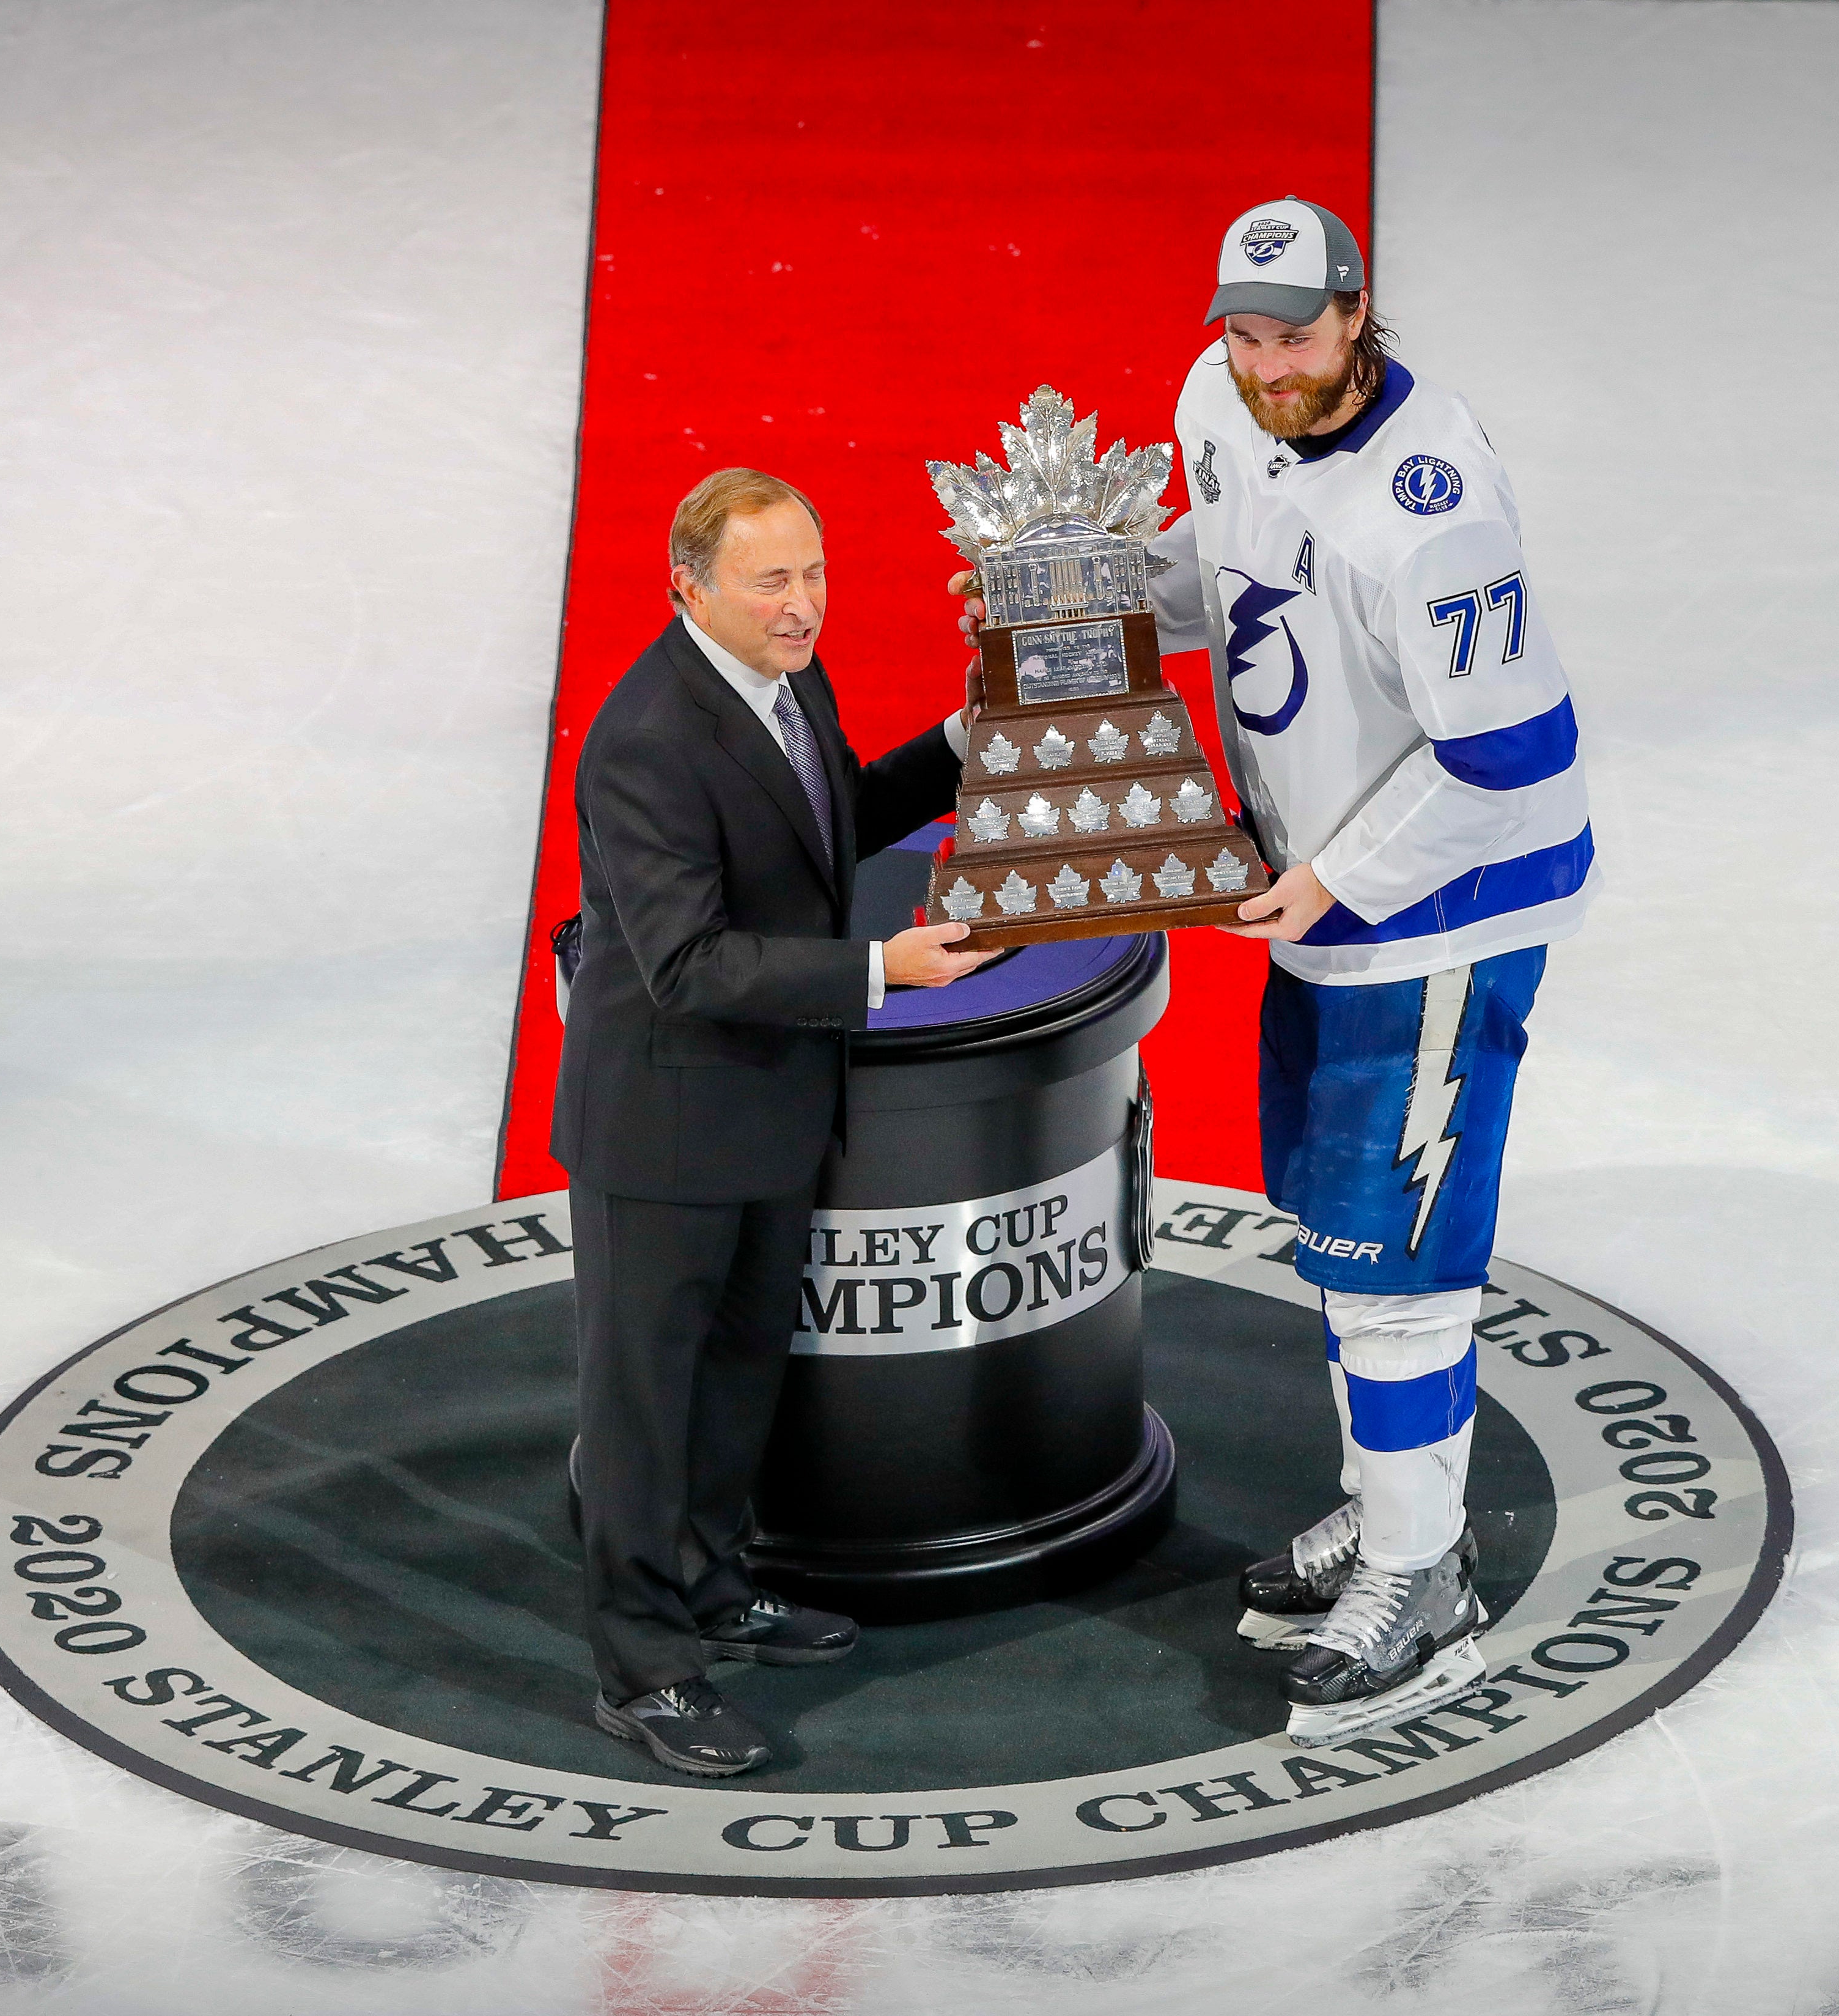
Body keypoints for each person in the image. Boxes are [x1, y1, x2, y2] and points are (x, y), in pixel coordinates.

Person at [954, 198, 1596, 1745]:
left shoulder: (1435, 513)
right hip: (1314, 896)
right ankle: (1383, 1508)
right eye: (1242, 332)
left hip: (1441, 909)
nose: (1263, 364)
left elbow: (1514, 758)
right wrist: (1077, 597)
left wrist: (1333, 878)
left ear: (1358, 313)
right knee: (1335, 1233)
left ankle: (1420, 1568)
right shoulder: (1217, 397)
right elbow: (1227, 576)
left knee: (1402, 1260)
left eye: (1294, 334)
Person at [560, 467, 990, 1775]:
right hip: (663, 1130)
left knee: (738, 1369)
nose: (802, 604)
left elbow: (829, 820)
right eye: (771, 580)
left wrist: (970, 740)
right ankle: (645, 1668)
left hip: (761, 1111)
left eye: (813, 572)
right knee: (644, 1404)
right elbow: (687, 963)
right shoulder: (646, 735)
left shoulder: (792, 680)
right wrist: (882, 973)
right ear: (689, 586)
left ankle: (708, 1579)